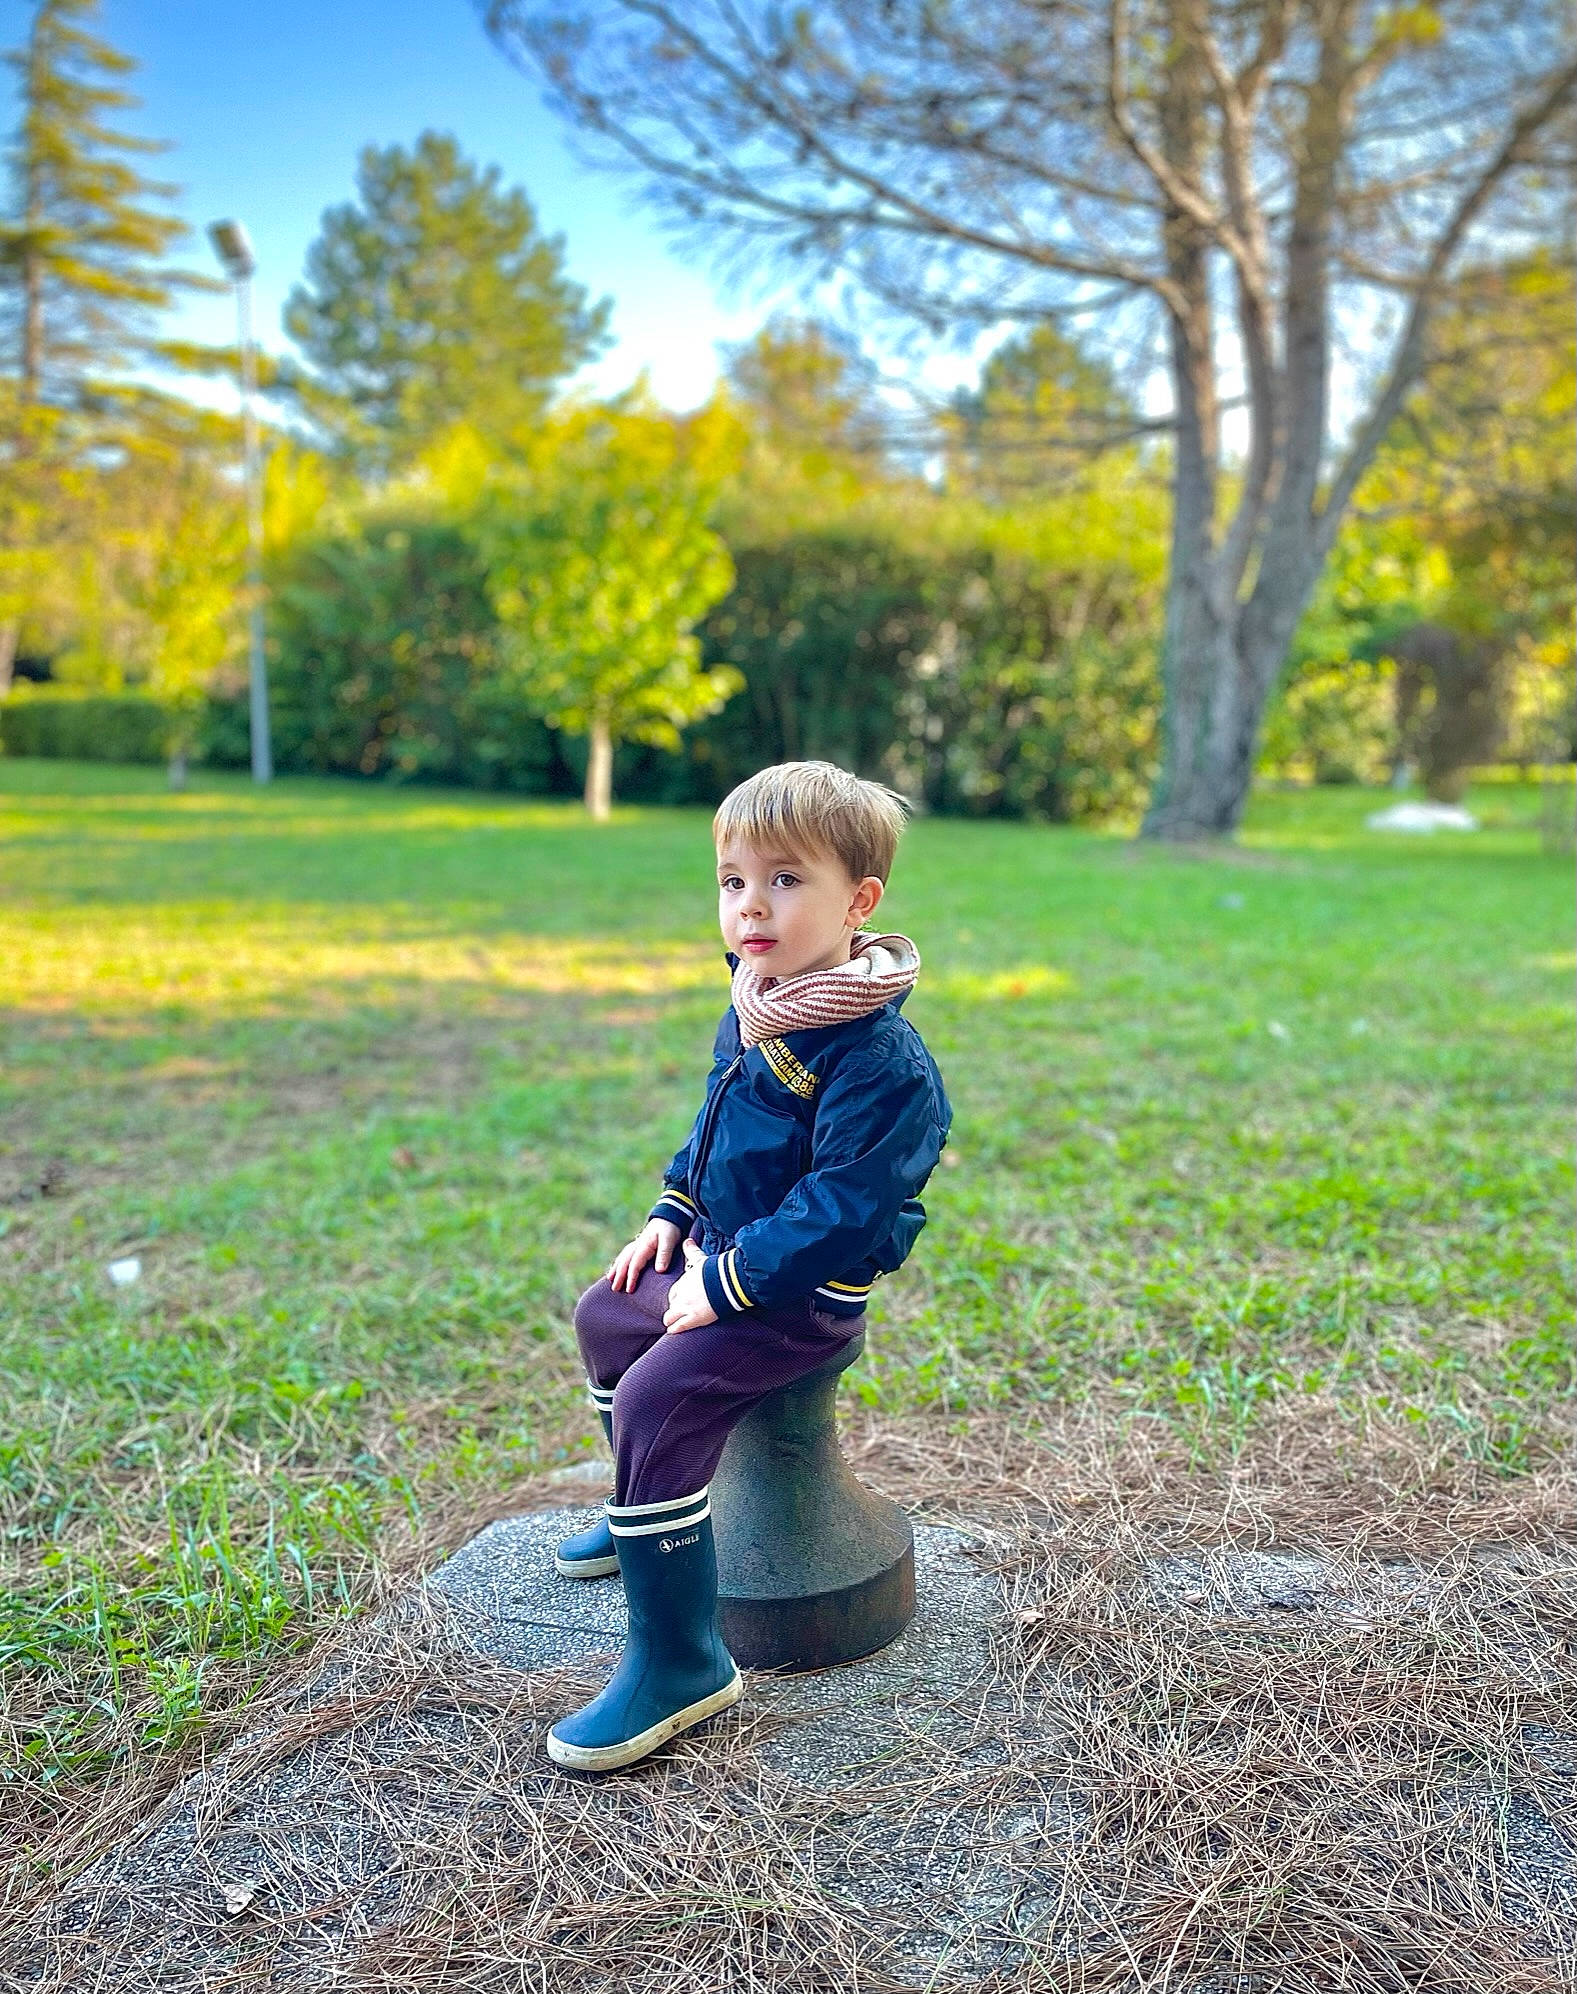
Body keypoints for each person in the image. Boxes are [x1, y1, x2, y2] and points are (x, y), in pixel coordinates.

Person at [546, 760, 952, 1772]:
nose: (750, 904)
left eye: (784, 879)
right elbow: (716, 1119)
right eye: (733, 880)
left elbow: (840, 1207)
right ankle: (642, 1514)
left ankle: (682, 1659)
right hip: (722, 1260)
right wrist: (673, 1209)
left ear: (857, 900)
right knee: (607, 1315)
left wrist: (725, 1283)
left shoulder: (876, 1058)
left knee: (656, 1397)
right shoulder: (763, 1000)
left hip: (797, 1298)